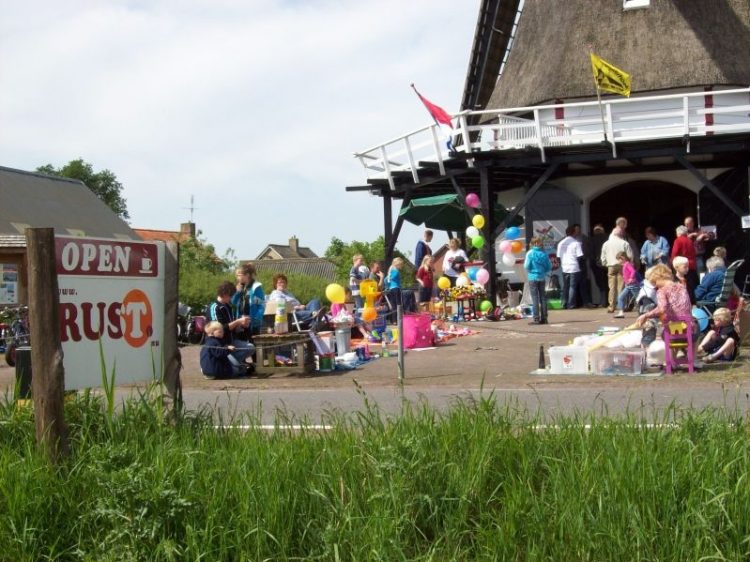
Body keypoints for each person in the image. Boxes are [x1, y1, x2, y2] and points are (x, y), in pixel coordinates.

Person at [208, 281, 255, 369]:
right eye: (231, 296)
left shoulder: (228, 306)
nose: (231, 298)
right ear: (225, 294)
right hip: (220, 345)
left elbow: (230, 327)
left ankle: (232, 363)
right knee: (235, 369)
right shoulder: (215, 307)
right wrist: (238, 321)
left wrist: (241, 326)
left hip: (231, 342)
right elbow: (219, 329)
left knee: (250, 347)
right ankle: (230, 364)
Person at [636, 264, 692, 331]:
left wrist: (645, 315)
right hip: (689, 325)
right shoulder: (682, 286)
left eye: (655, 283)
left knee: (662, 331)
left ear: (658, 278)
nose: (655, 286)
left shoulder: (662, 291)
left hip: (676, 328)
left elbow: (662, 309)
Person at [600, 226, 632, 313]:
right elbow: (630, 256)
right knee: (621, 287)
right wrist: (630, 264)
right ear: (621, 234)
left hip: (611, 266)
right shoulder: (625, 243)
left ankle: (611, 306)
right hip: (622, 266)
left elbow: (603, 256)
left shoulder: (606, 243)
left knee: (612, 287)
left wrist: (605, 264)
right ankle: (621, 305)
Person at [524, 236, 552, 325]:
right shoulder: (544, 253)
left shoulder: (530, 253)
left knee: (535, 298)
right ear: (540, 243)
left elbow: (526, 266)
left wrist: (531, 270)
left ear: (532, 244)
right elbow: (549, 267)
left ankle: (536, 319)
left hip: (532, 277)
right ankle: (544, 318)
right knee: (543, 298)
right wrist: (542, 271)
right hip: (542, 277)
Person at [232, 263, 265, 336]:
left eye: (239, 275)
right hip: (240, 321)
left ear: (247, 275)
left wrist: (256, 319)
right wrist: (237, 292)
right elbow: (232, 303)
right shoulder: (239, 287)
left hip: (252, 323)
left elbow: (261, 305)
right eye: (236, 275)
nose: (237, 277)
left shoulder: (256, 287)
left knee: (252, 344)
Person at [556, 225, 583, 309]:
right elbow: (580, 256)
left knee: (565, 286)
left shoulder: (561, 243)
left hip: (565, 267)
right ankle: (571, 304)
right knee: (572, 287)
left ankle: (563, 303)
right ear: (574, 232)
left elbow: (558, 257)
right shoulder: (576, 243)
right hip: (574, 267)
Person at [671, 225, 700, 293]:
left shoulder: (678, 240)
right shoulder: (689, 240)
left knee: (684, 286)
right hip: (692, 265)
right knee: (692, 285)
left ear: (678, 233)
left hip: (682, 266)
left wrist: (673, 263)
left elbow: (674, 253)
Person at [613, 251, 641, 318]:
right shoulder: (625, 265)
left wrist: (631, 278)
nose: (618, 261)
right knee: (620, 297)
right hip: (628, 285)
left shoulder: (627, 264)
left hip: (633, 285)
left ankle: (642, 311)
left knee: (638, 298)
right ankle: (621, 312)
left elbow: (633, 271)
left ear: (623, 258)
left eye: (619, 259)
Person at [590, 223, 609, 306]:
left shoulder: (592, 239)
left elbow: (590, 253)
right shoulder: (608, 238)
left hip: (596, 264)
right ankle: (609, 301)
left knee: (600, 283)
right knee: (608, 282)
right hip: (607, 264)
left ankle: (603, 301)